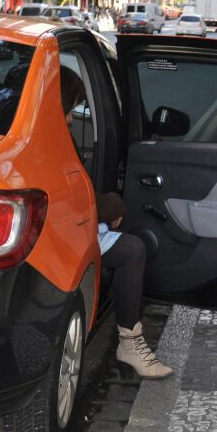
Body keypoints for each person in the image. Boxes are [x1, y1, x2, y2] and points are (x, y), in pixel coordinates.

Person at [60, 68, 172, 379]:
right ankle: (129, 341)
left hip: (67, 220)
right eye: (69, 109)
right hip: (64, 228)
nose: (71, 119)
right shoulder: (55, 138)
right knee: (132, 249)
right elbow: (79, 198)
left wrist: (108, 206)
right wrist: (112, 205)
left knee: (134, 234)